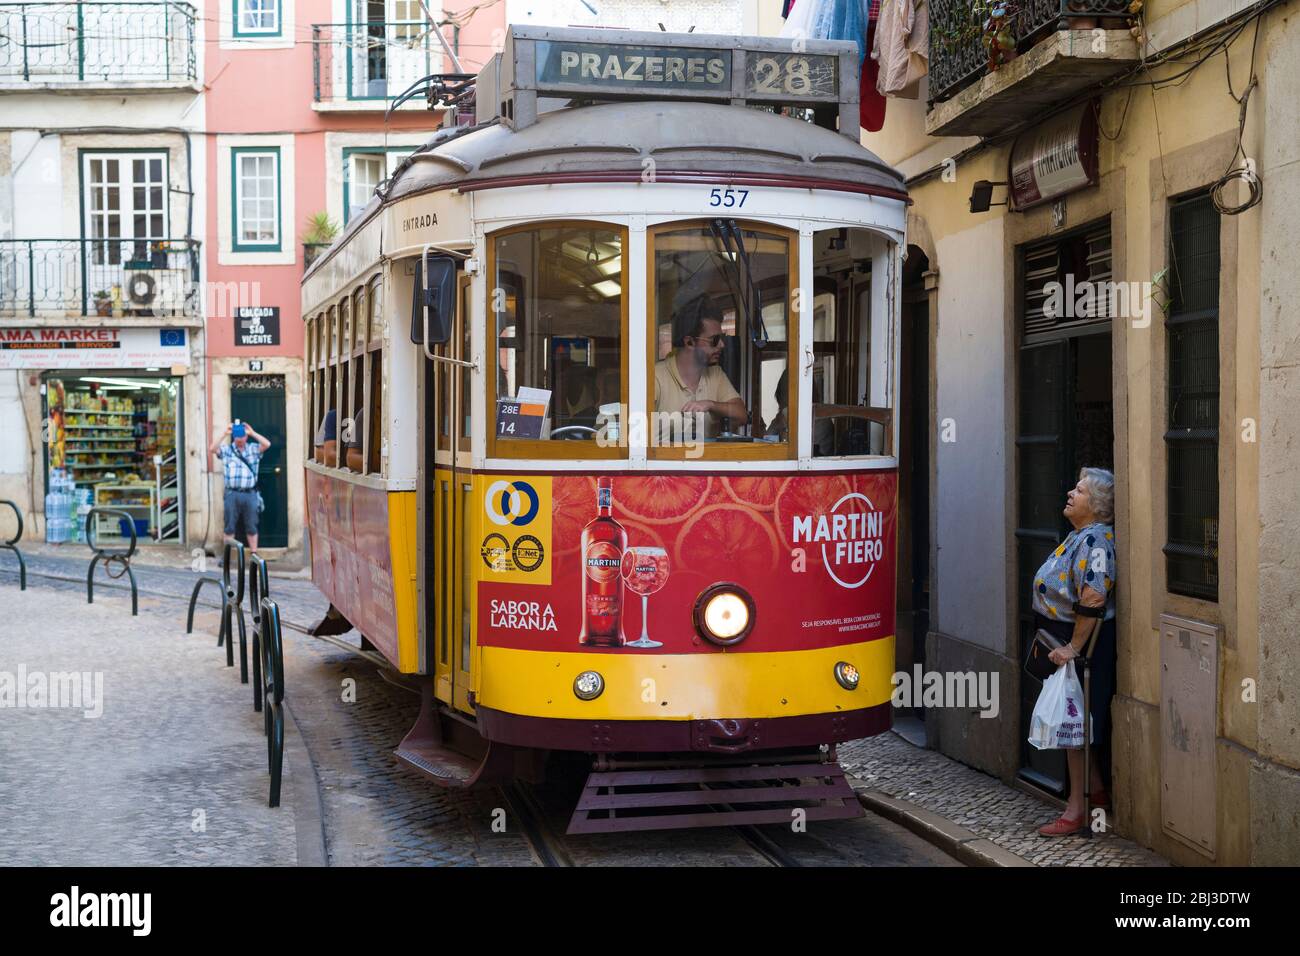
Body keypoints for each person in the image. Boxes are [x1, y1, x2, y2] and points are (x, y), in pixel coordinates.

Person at [1031, 466, 1119, 837]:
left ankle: (1077, 810)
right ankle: (1095, 792)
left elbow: (1094, 598)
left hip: (1080, 645)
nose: (1071, 493)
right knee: (1075, 723)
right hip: (1062, 640)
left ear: (1097, 505)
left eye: (1079, 490)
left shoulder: (1096, 542)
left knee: (1074, 726)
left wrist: (1072, 647)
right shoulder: (1080, 535)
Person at [653, 295, 748, 441]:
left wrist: (710, 405)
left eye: (722, 338)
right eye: (714, 340)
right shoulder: (655, 377)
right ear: (690, 342)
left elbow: (741, 415)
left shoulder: (716, 374)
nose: (722, 345)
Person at [210, 421, 271, 553]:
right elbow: (212, 449)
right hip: (232, 493)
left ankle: (254, 554)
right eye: (237, 436)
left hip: (250, 494)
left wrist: (253, 432)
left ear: (246, 437)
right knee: (229, 526)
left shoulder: (253, 449)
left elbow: (267, 444)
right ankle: (227, 556)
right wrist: (224, 434)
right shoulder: (227, 450)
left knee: (252, 526)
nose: (240, 439)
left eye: (242, 436)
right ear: (233, 437)